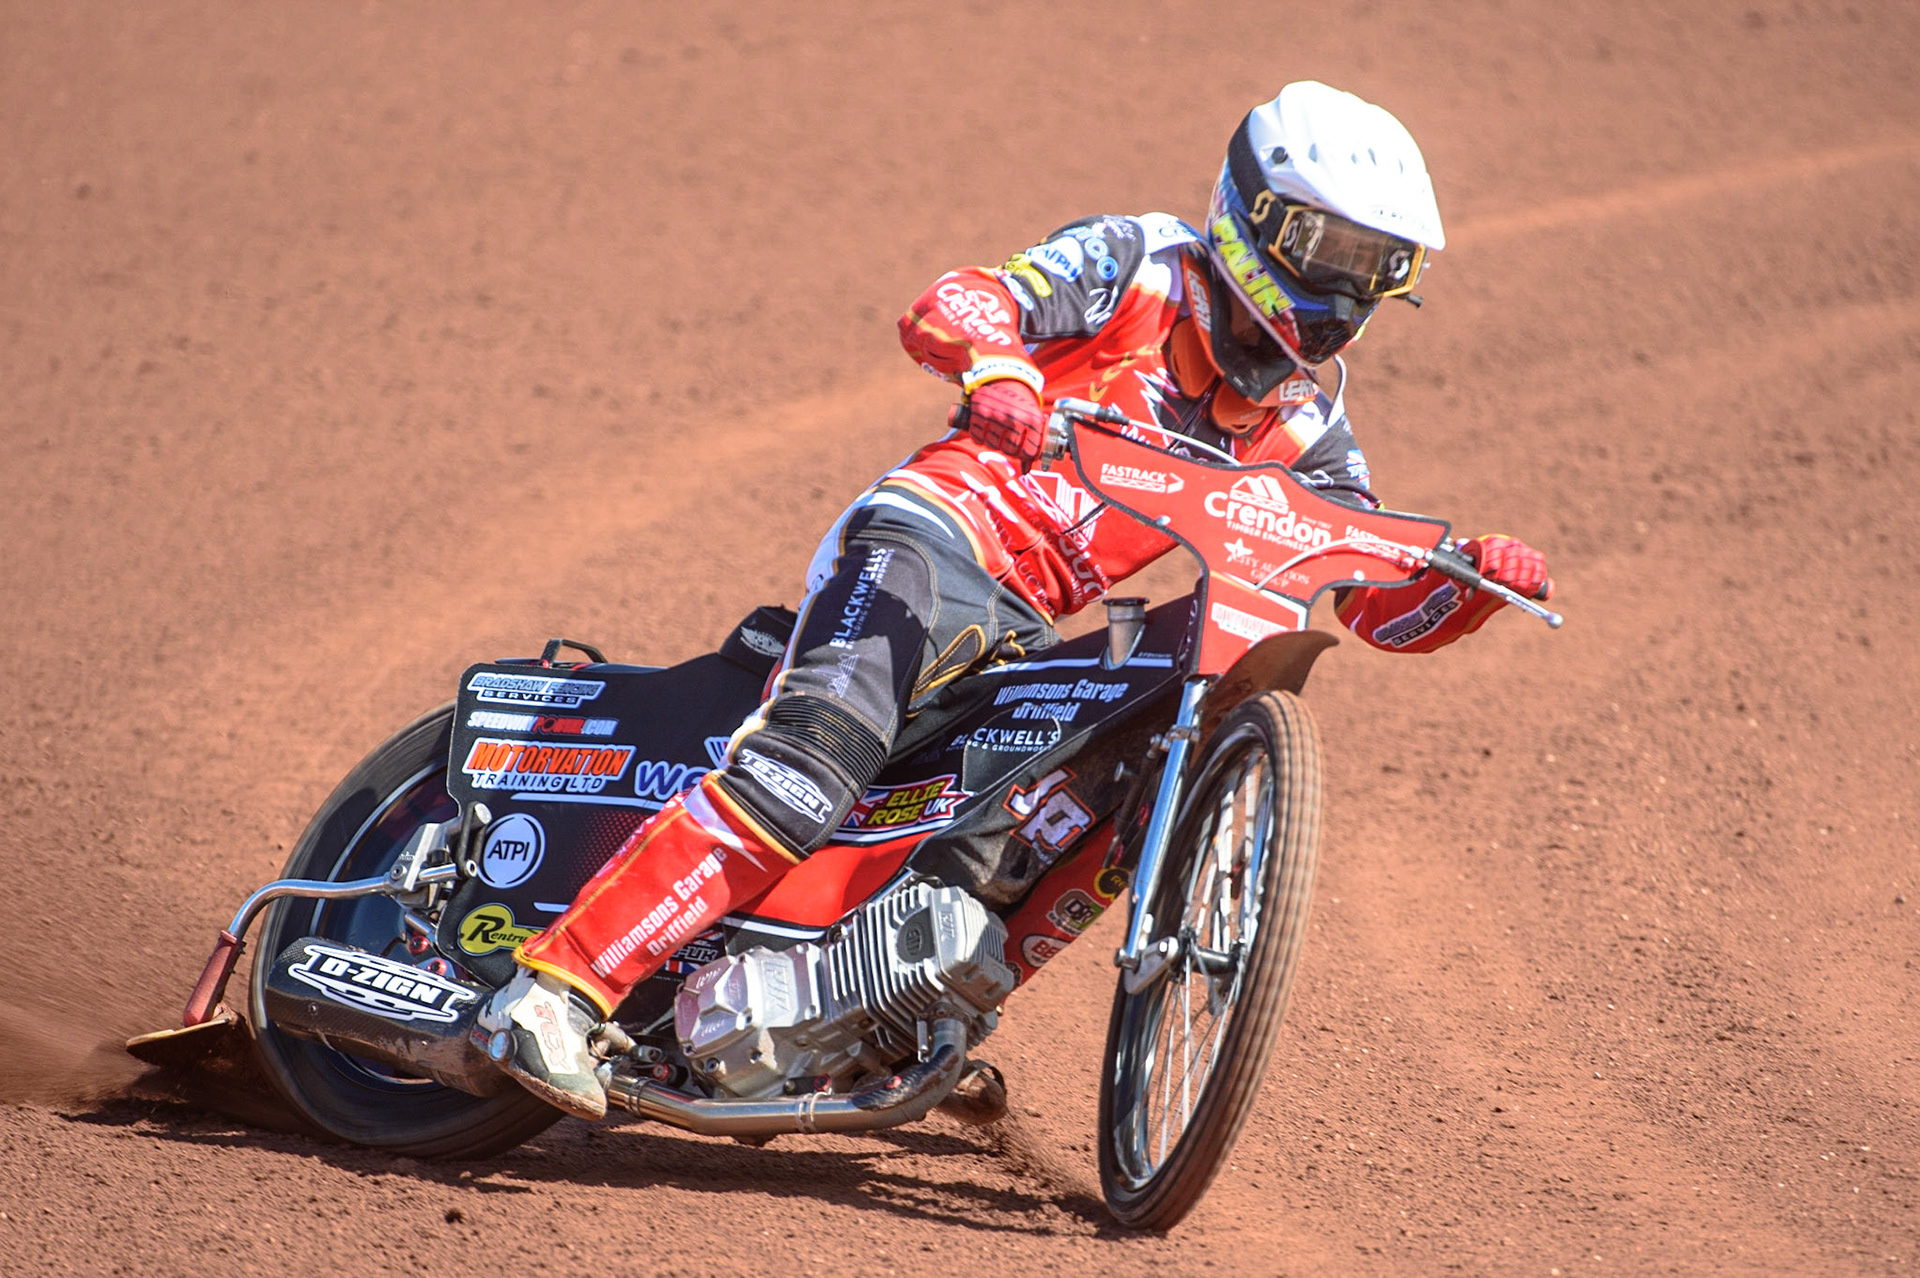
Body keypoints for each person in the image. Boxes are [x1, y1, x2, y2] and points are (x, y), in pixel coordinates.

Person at [477, 81, 1552, 1119]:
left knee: (1065, 801)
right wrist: (999, 369)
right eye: (1338, 255)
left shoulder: (1308, 425)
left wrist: (1471, 590)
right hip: (933, 540)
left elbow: (1362, 596)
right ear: (1256, 220)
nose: (1353, 293)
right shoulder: (1141, 266)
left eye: (1383, 267)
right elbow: (963, 299)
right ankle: (553, 989)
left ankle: (867, 1021)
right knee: (811, 767)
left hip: (1027, 625)